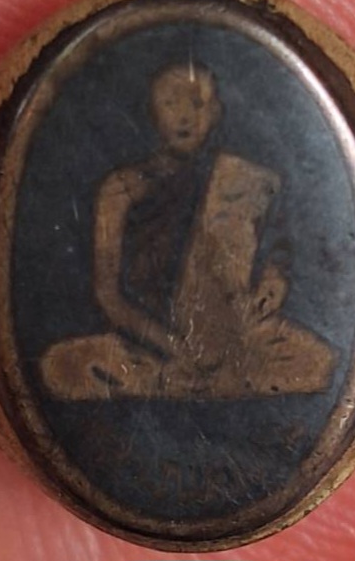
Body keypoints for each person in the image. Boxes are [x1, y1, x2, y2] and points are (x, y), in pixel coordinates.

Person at [40, 63, 334, 399]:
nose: (184, 117)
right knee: (61, 366)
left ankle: (194, 380)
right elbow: (109, 296)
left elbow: (275, 253)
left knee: (316, 362)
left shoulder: (239, 181)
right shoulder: (120, 190)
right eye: (171, 103)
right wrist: (172, 346)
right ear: (152, 111)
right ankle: (193, 379)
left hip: (226, 338)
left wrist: (273, 281)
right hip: (147, 344)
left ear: (215, 112)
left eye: (196, 104)